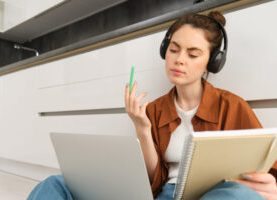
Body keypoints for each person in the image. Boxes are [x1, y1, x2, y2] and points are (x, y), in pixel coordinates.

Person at [27, 11, 277, 200]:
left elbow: (267, 167)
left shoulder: (231, 106)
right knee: (55, 184)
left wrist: (270, 185)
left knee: (237, 194)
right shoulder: (155, 109)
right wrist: (142, 129)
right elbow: (150, 182)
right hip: (164, 195)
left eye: (192, 54)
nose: (179, 60)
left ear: (212, 62)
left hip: (211, 195)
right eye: (174, 49)